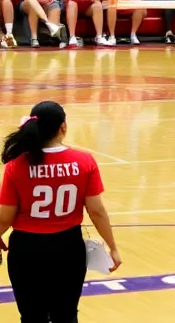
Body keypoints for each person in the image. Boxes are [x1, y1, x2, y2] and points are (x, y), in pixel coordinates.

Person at [0, 101, 121, 322]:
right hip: (68, 249)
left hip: (26, 251)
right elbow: (97, 211)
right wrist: (112, 247)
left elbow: (5, 218)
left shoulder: (16, 165)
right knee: (65, 316)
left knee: (31, 317)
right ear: (63, 127)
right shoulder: (84, 161)